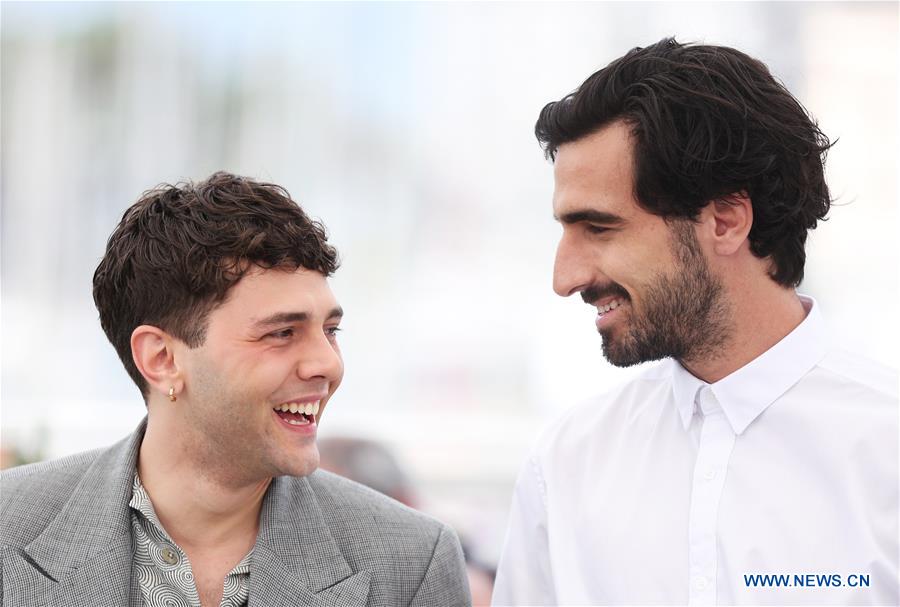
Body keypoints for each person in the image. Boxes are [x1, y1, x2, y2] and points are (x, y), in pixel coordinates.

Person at [492, 38, 897, 606]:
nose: (565, 277)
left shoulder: (887, 451)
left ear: (726, 221)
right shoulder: (566, 464)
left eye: (600, 228)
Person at [0, 172, 471, 607]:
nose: (328, 364)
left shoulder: (412, 563)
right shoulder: (9, 529)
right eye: (281, 333)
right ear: (162, 359)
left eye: (330, 330)